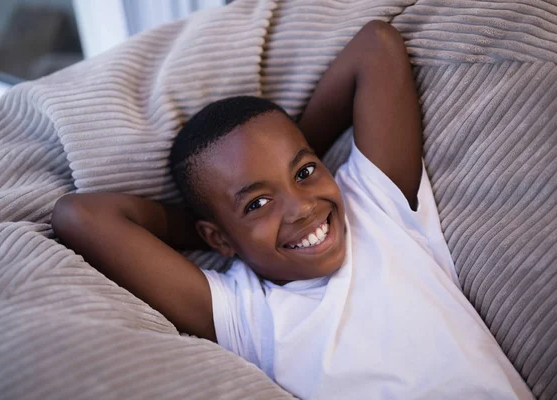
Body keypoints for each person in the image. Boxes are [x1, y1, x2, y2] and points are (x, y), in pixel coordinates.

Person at [52, 21, 533, 399]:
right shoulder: (249, 314)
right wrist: (223, 232)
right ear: (217, 239)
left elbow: (377, 45)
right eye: (257, 202)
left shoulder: (376, 207)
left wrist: (293, 164)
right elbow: (80, 216)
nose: (302, 208)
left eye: (304, 173)